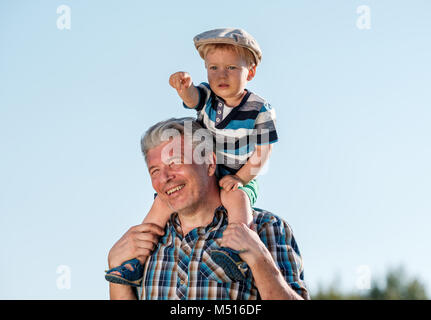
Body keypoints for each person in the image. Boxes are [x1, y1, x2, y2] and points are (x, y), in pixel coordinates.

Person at [105, 28, 278, 286]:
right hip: (206, 166)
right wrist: (184, 87)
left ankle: (237, 250)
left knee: (236, 199)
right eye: (213, 68)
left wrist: (240, 179)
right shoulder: (209, 96)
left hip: (239, 173)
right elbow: (193, 97)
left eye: (231, 67)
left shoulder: (259, 109)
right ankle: (135, 260)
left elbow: (263, 153)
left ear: (249, 73)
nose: (221, 75)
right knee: (160, 205)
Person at [107, 117, 309, 300]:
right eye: (155, 171)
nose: (165, 178)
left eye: (175, 162)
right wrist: (117, 272)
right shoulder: (143, 245)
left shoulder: (265, 228)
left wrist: (259, 259)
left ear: (210, 163)